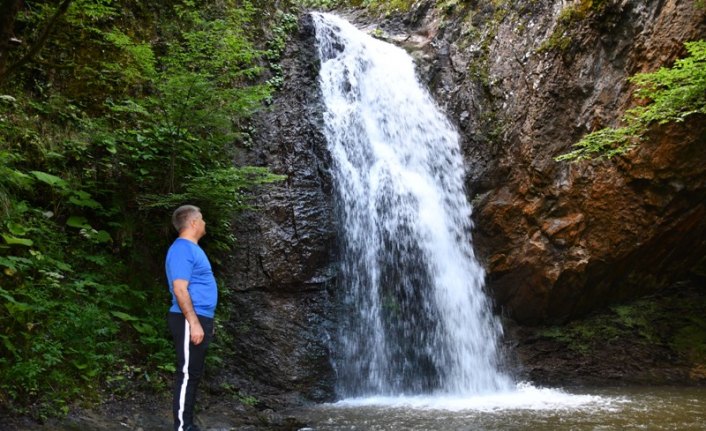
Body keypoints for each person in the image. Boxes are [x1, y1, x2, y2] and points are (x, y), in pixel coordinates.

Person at [165, 205, 218, 431]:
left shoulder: (193, 249)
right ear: (194, 222)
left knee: (193, 374)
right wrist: (194, 322)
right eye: (203, 218)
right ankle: (182, 428)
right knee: (187, 374)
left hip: (199, 318)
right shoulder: (182, 249)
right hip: (188, 319)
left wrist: (203, 321)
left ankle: (187, 425)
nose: (205, 223)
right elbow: (180, 289)